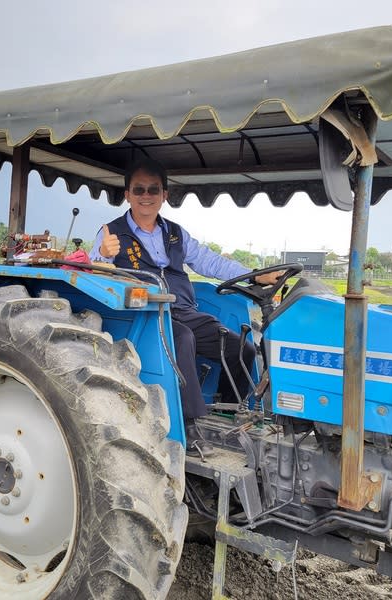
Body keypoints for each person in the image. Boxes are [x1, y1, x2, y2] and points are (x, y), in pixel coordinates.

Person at [91, 158, 281, 456]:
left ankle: (228, 415)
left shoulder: (176, 233)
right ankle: (190, 423)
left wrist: (256, 276)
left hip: (183, 309)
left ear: (164, 195)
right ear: (127, 194)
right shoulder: (111, 235)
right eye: (138, 189)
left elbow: (210, 262)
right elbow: (94, 275)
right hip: (141, 314)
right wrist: (103, 255)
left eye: (153, 189)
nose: (146, 195)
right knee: (182, 339)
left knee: (241, 347)